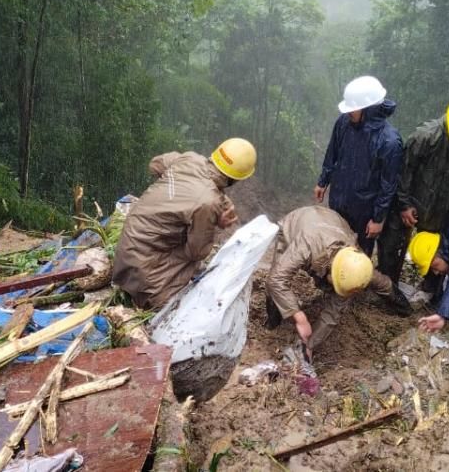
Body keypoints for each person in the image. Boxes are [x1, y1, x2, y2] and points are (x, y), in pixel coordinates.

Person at [112, 138, 255, 309]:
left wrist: (176, 189)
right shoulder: (209, 203)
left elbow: (155, 164)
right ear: (236, 178)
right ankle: (155, 298)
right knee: (194, 260)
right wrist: (217, 222)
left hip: (126, 245)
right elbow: (197, 251)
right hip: (140, 268)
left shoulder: (189, 159)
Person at [376, 97, 449, 283]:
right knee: (392, 241)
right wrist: (404, 204)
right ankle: (387, 284)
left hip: (446, 201)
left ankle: (431, 287)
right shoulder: (426, 136)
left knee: (437, 246)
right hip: (414, 195)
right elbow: (404, 170)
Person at [264, 206, 409, 352]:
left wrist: (309, 346)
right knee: (275, 280)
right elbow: (276, 280)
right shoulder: (306, 245)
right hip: (297, 223)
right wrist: (299, 317)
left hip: (333, 222)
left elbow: (332, 315)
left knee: (371, 282)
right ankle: (272, 321)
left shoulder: (356, 264)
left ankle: (404, 308)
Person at [314, 76, 403, 254]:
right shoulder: (344, 123)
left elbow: (388, 186)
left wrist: (378, 219)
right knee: (332, 247)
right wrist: (323, 181)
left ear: (369, 109)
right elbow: (333, 152)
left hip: (364, 212)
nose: (349, 112)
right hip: (339, 201)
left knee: (357, 257)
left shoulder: (389, 142)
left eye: (353, 109)